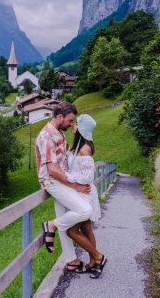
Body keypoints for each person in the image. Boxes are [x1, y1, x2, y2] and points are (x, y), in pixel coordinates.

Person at [35, 102, 105, 275]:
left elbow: (68, 159)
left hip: (63, 180)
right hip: (53, 181)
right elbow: (52, 169)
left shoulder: (59, 133)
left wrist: (77, 130)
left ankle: (72, 261)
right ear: (59, 117)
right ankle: (51, 226)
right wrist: (74, 185)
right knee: (84, 210)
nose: (71, 124)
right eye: (69, 120)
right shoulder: (46, 136)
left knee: (67, 220)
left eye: (74, 122)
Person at [66, 114, 107, 278]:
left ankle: (98, 257)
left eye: (75, 124)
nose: (72, 126)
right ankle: (93, 263)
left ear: (81, 128)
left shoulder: (85, 149)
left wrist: (67, 179)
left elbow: (87, 176)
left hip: (84, 194)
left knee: (72, 231)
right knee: (86, 227)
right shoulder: (79, 146)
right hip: (81, 193)